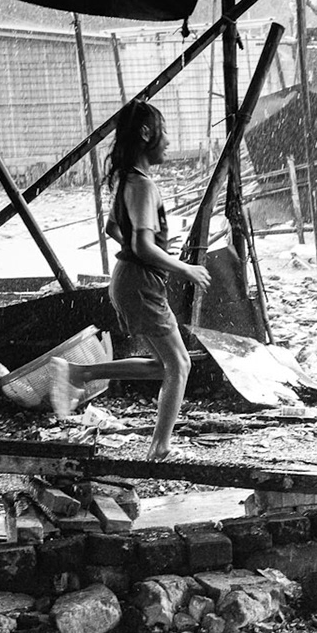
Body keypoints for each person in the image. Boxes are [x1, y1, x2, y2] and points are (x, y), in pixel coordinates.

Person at [63, 99, 211, 461]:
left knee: (168, 364)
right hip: (141, 282)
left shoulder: (128, 178)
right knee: (180, 365)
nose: (169, 142)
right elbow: (142, 244)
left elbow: (114, 228)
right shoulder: (143, 185)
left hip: (129, 279)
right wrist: (182, 267)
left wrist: (137, 258)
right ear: (146, 134)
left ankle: (81, 373)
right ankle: (160, 448)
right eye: (164, 132)